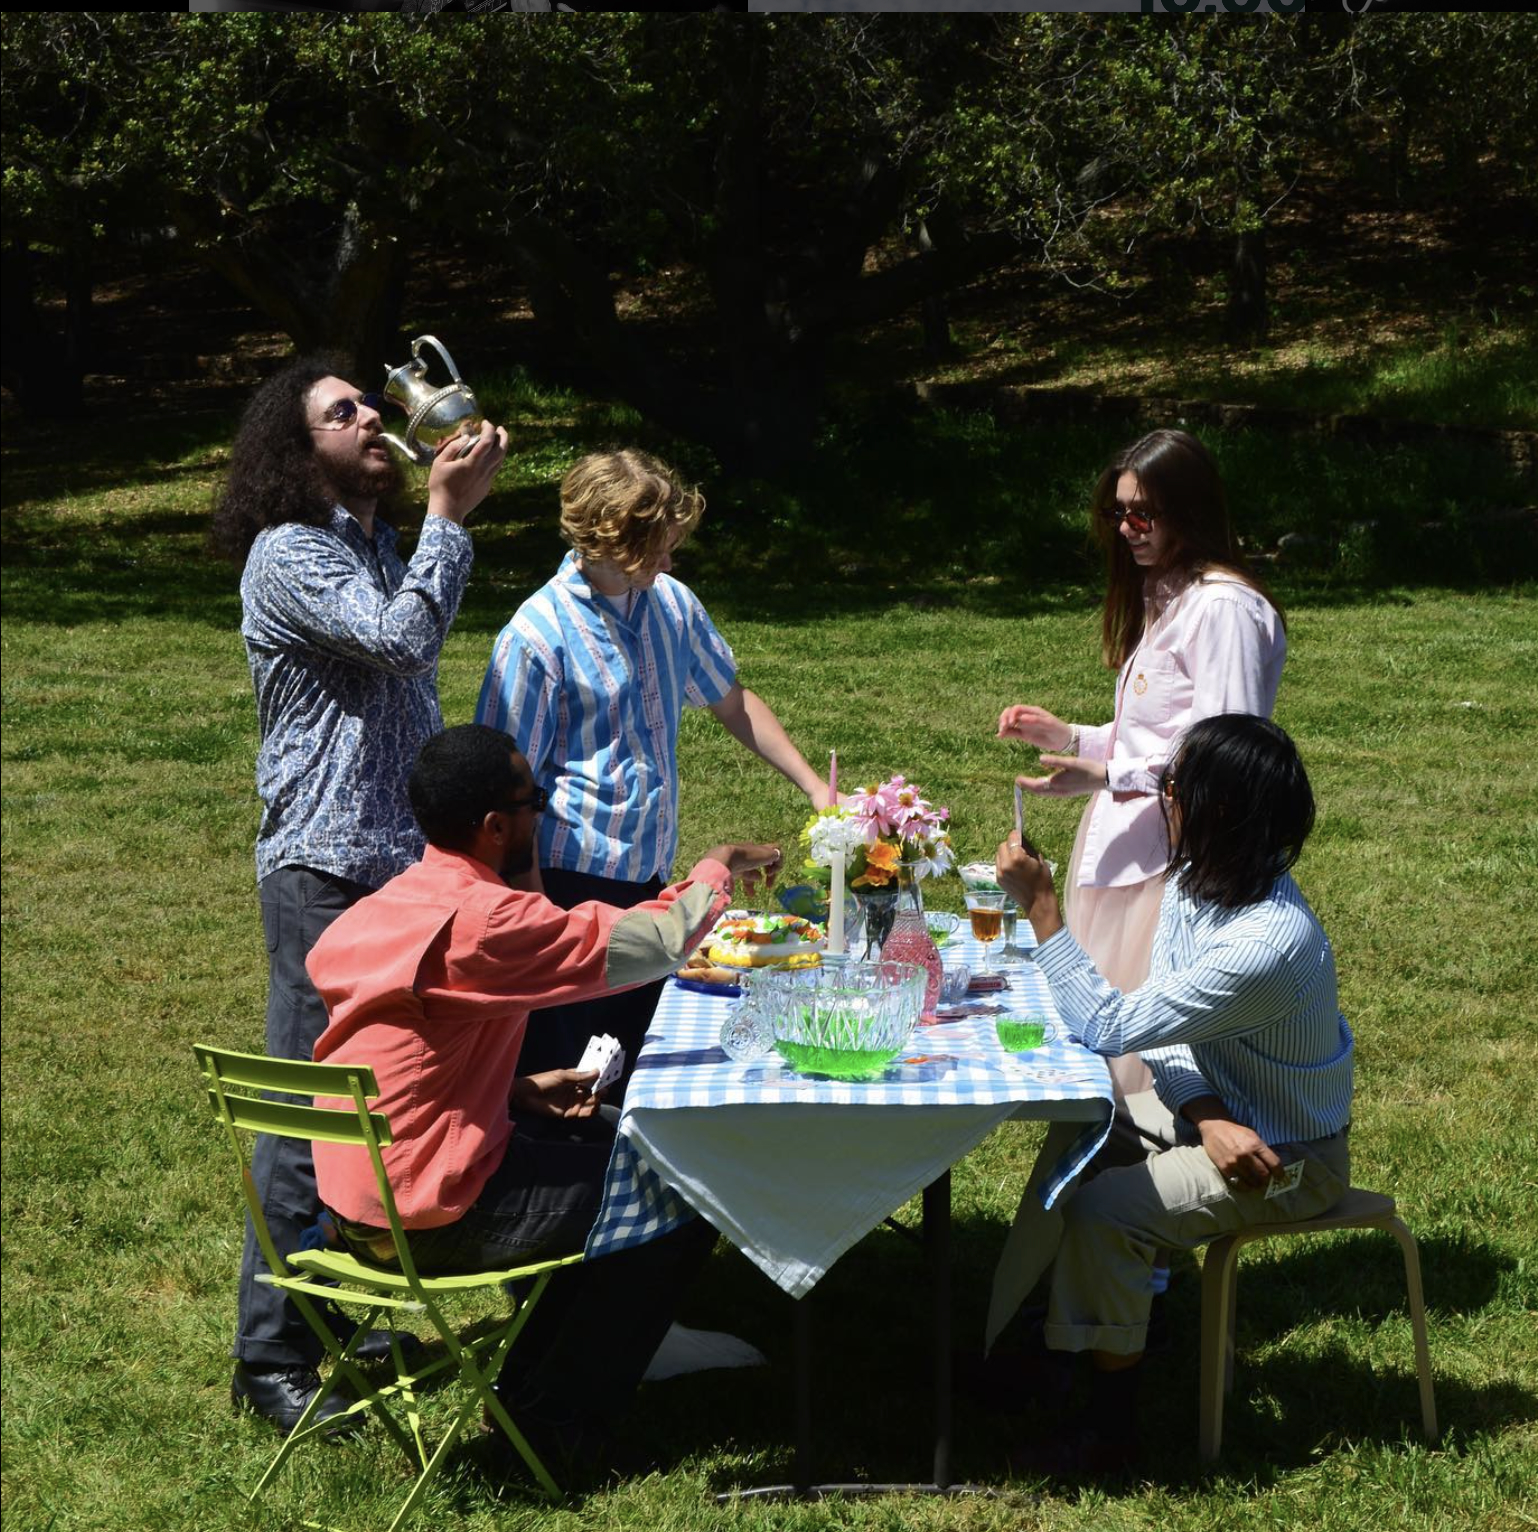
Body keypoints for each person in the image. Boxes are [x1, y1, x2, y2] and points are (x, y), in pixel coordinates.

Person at [305, 723, 782, 1470]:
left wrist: (516, 1089)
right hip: (430, 1209)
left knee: (607, 1150)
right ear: (496, 826)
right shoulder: (486, 920)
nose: (543, 814)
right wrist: (716, 864)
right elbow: (652, 945)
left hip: (353, 1199)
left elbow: (400, 1056)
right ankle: (554, 1425)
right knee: (684, 1187)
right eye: (536, 801)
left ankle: (528, 1389)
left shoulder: (389, 903)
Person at [210, 356, 509, 1432]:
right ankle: (269, 1352)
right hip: (325, 871)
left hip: (395, 874)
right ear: (299, 451)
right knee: (306, 1110)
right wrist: (449, 517)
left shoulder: (373, 548)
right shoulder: (289, 551)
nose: (373, 418)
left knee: (375, 1111)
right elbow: (402, 642)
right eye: (343, 413)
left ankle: (336, 1315)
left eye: (372, 406)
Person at [993, 714, 1353, 1474]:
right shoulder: (1199, 881)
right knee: (1084, 1130)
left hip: (1290, 1159)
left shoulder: (1264, 944)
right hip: (1222, 1114)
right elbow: (1161, 1031)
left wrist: (1043, 910)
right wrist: (1208, 1115)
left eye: (1174, 785)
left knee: (1108, 1211)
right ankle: (1034, 1342)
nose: (1163, 796)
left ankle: (1110, 1435)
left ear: (1217, 811)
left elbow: (1108, 1024)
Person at [475, 448, 831, 1087]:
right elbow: (503, 790)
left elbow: (730, 700)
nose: (669, 561)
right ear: (609, 542)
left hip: (647, 875)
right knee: (569, 1068)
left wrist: (813, 788)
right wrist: (533, 912)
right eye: (657, 550)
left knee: (630, 1056)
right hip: (567, 883)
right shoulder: (535, 637)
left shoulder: (672, 605)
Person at [998, 428, 1285, 1100]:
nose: (1126, 528)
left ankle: (1153, 1154)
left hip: (1174, 863)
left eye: (1143, 514)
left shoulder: (1222, 608)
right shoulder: (1172, 592)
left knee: (1139, 1057)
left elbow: (1223, 756)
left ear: (1190, 510)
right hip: (1132, 851)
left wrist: (1108, 775)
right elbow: (1162, 730)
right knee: (1101, 1047)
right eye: (1117, 512)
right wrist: (1075, 738)